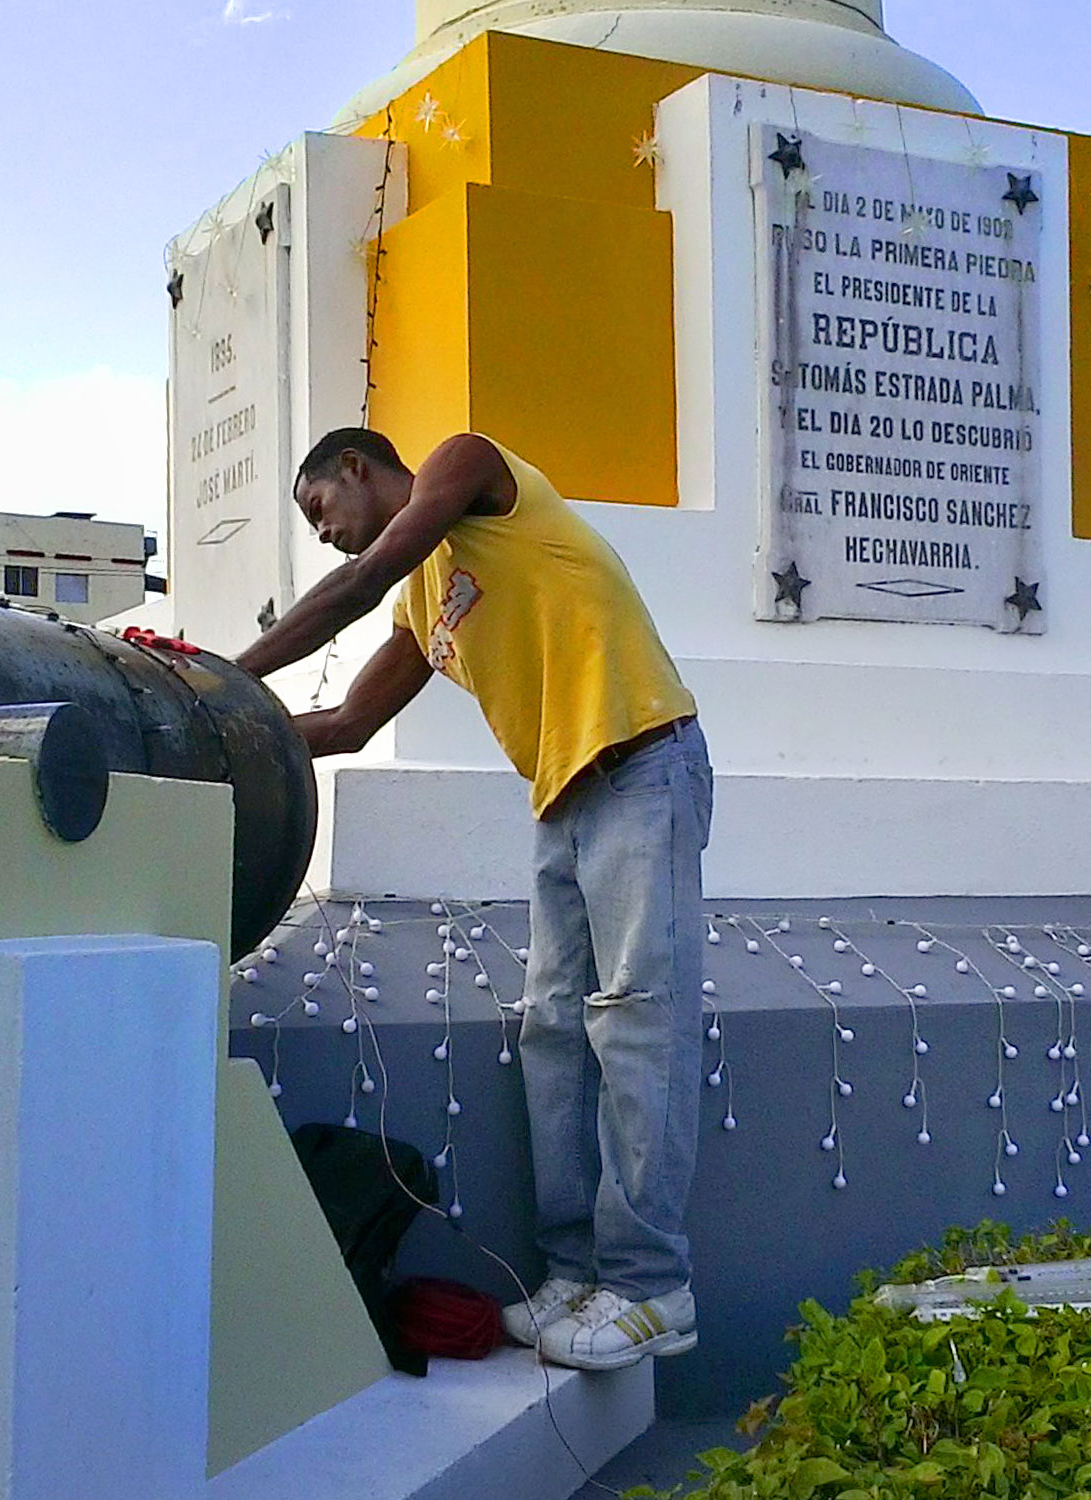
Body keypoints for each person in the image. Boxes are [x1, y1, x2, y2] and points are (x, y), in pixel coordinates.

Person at [235, 428, 712, 1373]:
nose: (323, 535)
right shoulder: (424, 606)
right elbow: (347, 721)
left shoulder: (467, 464)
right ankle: (579, 1273)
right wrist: (221, 729)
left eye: (319, 509)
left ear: (360, 470)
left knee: (635, 1024)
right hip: (563, 797)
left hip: (644, 763)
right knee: (551, 1035)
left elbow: (358, 583)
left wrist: (227, 674)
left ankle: (653, 1286)